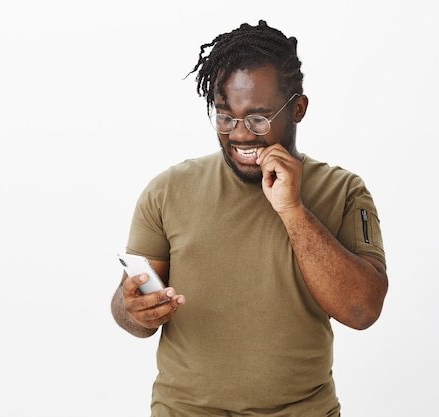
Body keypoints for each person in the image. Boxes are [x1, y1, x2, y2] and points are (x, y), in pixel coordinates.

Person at [110, 20, 388, 416]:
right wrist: (131, 310)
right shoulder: (167, 191)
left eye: (258, 118)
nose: (239, 135)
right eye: (225, 117)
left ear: (298, 108)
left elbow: (363, 311)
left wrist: (292, 209)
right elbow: (133, 309)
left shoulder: (343, 191)